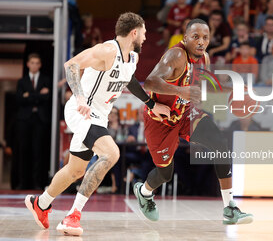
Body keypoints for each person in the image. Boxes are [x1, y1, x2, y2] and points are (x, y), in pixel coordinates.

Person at [24, 12, 170, 236]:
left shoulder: (132, 57)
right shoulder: (106, 51)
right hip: (81, 111)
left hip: (98, 117)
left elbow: (128, 79)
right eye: (143, 33)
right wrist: (80, 97)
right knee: (111, 154)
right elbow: (71, 65)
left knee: (75, 170)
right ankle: (73, 216)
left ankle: (41, 203)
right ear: (134, 32)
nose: (145, 37)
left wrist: (151, 104)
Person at [133, 18, 253, 225]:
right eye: (195, 37)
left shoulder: (204, 58)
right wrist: (181, 91)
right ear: (186, 37)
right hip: (161, 119)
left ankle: (230, 208)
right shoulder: (176, 55)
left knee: (220, 145)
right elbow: (151, 81)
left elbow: (195, 85)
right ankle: (144, 192)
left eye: (205, 38)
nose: (201, 42)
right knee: (165, 173)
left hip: (185, 113)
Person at [16, 53, 51, 189]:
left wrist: (28, 95)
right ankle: (22, 183)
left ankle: (37, 183)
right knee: (23, 151)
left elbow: (47, 98)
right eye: (32, 62)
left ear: (40, 65)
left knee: (38, 152)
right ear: (28, 64)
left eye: (37, 63)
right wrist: (37, 95)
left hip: (40, 120)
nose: (35, 65)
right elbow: (19, 99)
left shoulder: (46, 79)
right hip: (24, 120)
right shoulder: (22, 81)